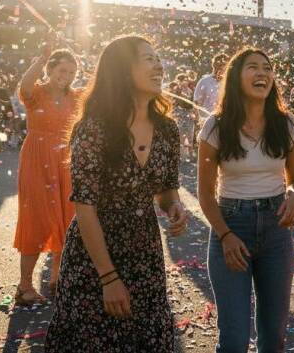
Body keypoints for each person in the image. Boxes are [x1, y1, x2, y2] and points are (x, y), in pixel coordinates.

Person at [45, 36, 188, 352]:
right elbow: (85, 206)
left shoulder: (168, 130)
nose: (159, 66)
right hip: (93, 258)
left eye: (158, 58)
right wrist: (108, 278)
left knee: (149, 340)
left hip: (145, 255)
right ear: (123, 69)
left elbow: (166, 188)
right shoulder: (94, 128)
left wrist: (174, 206)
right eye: (149, 59)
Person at [197, 48, 294, 353]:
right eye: (253, 67)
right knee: (234, 340)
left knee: (273, 338)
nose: (262, 73)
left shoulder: (287, 124)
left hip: (276, 231)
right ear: (236, 77)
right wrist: (225, 235)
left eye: (267, 68)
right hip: (231, 227)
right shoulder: (215, 126)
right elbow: (205, 193)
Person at [13, 44, 83, 305]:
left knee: (68, 217)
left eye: (72, 72)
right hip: (37, 159)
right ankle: (24, 286)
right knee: (36, 219)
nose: (67, 76)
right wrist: (41, 58)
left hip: (66, 160)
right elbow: (24, 86)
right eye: (63, 70)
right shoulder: (37, 93)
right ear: (50, 69)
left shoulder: (76, 97)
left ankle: (57, 279)